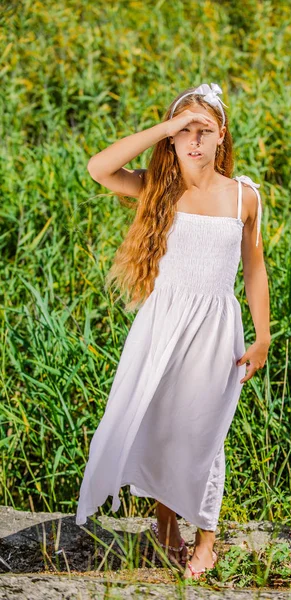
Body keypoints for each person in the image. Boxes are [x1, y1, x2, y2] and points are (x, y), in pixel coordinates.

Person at [75, 82, 271, 580]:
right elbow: (99, 168)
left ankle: (207, 539)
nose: (195, 140)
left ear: (222, 136)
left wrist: (262, 335)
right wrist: (165, 127)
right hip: (163, 324)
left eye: (205, 130)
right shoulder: (157, 188)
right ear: (172, 138)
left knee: (206, 431)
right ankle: (165, 528)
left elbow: (254, 268)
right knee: (161, 422)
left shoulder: (243, 197)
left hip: (215, 328)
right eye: (185, 132)